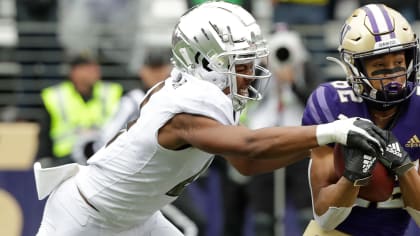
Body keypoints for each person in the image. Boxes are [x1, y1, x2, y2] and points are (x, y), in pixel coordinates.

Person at [34, 2, 386, 235]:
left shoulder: (202, 92)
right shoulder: (188, 104)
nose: (252, 73)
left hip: (135, 218)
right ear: (206, 62)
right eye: (241, 64)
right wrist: (332, 131)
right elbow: (249, 147)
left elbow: (245, 165)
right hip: (85, 217)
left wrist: (320, 146)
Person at [302, 4, 420, 235]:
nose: (394, 76)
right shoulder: (331, 102)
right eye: (380, 66)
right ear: (354, 67)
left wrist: (404, 166)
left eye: (399, 63)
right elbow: (325, 218)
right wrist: (352, 177)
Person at [36, 53, 123, 167]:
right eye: (87, 68)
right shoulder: (55, 96)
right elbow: (44, 135)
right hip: (66, 160)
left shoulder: (111, 92)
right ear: (74, 72)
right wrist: (44, 160)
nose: (94, 71)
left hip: (105, 157)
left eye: (95, 67)